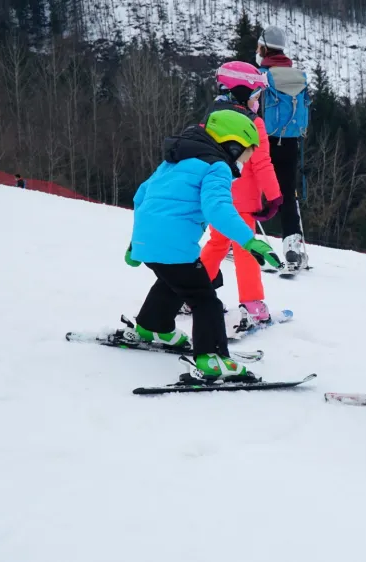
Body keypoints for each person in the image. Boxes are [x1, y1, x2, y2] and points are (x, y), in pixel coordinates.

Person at [123, 109, 281, 381]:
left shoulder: (174, 161)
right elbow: (217, 208)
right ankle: (212, 359)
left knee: (172, 281)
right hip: (175, 245)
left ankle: (153, 327)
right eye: (245, 155)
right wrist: (249, 240)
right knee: (205, 300)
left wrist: (134, 245)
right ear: (232, 146)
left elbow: (141, 196)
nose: (244, 163)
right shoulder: (216, 166)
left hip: (146, 243)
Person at [197, 61, 283, 329]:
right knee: (246, 248)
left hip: (217, 196)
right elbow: (261, 163)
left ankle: (192, 294)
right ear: (243, 93)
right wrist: (274, 197)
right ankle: (252, 303)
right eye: (256, 96)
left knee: (217, 243)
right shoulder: (254, 123)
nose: (258, 102)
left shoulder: (211, 117)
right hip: (243, 202)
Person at [255, 25, 311, 274]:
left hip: (262, 140)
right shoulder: (297, 76)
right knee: (287, 192)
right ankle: (293, 247)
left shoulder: (260, 76)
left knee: (252, 189)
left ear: (264, 48)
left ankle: (245, 242)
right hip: (290, 141)